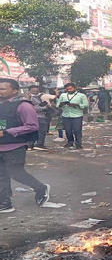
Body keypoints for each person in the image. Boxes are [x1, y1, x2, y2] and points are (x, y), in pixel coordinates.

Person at [0, 78, 50, 212]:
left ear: (14, 91)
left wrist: (6, 132)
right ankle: (5, 203)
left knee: (16, 173)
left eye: (3, 89)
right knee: (1, 175)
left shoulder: (24, 106)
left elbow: (33, 126)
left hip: (14, 146)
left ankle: (40, 188)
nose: (0, 91)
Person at [57, 83, 88, 149]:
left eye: (71, 89)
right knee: (68, 130)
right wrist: (61, 104)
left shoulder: (81, 95)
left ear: (75, 88)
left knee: (77, 130)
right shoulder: (63, 95)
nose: (69, 90)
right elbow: (57, 105)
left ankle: (78, 144)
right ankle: (70, 142)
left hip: (77, 115)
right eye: (67, 89)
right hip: (66, 115)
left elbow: (86, 105)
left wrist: (76, 105)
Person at [26, 85, 53, 150]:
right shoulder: (29, 98)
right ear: (29, 91)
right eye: (33, 91)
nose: (35, 92)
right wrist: (44, 108)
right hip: (37, 116)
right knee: (41, 130)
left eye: (37, 91)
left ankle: (31, 145)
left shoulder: (39, 97)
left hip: (37, 116)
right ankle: (39, 144)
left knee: (33, 131)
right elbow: (32, 108)